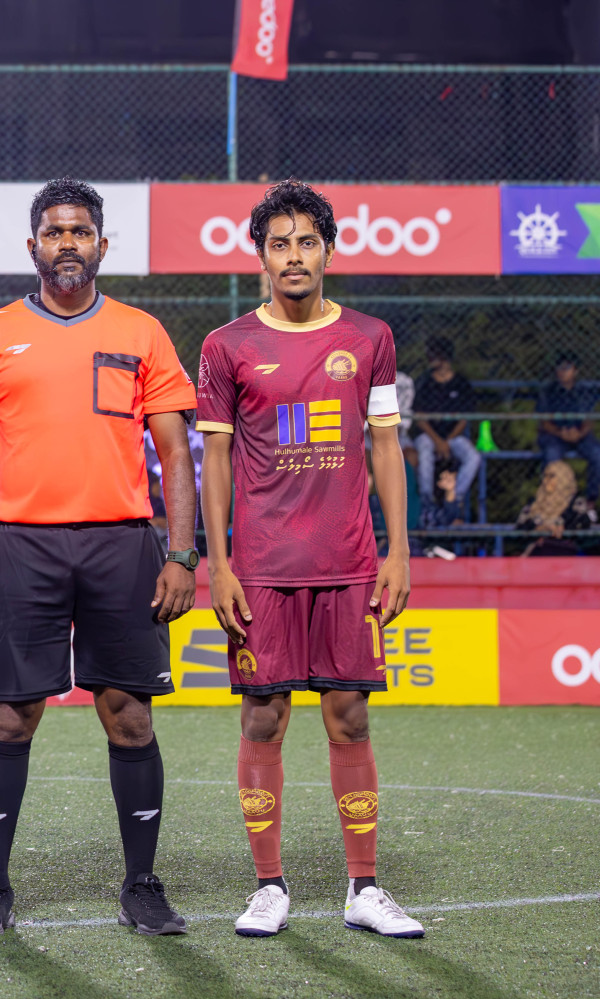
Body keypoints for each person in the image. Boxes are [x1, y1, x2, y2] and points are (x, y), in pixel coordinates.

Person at [0, 179, 199, 937]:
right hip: (21, 544)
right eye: (54, 232)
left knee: (130, 718)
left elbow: (175, 453)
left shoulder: (142, 331)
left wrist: (181, 552)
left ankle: (143, 885)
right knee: (13, 717)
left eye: (80, 231)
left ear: (102, 246)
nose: (67, 243)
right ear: (33, 247)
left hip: (123, 542)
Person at [197, 178, 423, 940]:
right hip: (261, 567)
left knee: (350, 715)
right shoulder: (226, 347)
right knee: (263, 717)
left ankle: (364, 887)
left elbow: (385, 446)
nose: (292, 256)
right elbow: (215, 464)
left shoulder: (369, 337)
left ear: (328, 249)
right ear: (258, 254)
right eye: (278, 243)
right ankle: (269, 886)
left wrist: (398, 551)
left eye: (305, 242)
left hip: (351, 561)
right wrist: (219, 563)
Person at [410, 338, 480, 512]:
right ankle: (427, 502)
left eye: (434, 355)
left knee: (473, 457)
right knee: (424, 452)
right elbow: (419, 418)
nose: (430, 359)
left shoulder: (461, 383)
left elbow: (464, 418)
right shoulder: (424, 382)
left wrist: (448, 440)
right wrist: (438, 441)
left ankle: (455, 497)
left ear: (445, 357)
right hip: (429, 435)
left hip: (453, 437)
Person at [536, 352, 600, 500]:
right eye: (560, 367)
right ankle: (552, 499)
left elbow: (589, 420)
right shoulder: (548, 391)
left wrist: (579, 433)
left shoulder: (583, 392)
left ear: (575, 371)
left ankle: (590, 502)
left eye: (567, 367)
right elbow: (544, 422)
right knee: (551, 455)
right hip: (555, 436)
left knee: (597, 454)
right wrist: (561, 433)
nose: (563, 371)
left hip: (579, 435)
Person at [515, 460, 597, 557]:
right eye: (545, 476)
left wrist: (559, 526)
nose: (546, 480)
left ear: (564, 478)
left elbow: (583, 524)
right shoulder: (535, 502)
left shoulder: (576, 502)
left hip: (566, 552)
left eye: (551, 476)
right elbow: (520, 527)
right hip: (538, 552)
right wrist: (539, 528)